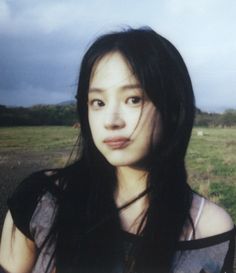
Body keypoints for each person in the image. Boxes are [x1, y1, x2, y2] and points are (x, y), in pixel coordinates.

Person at [0, 26, 235, 273]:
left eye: (133, 99)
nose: (111, 121)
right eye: (98, 102)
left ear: (173, 108)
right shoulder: (41, 200)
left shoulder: (212, 229)